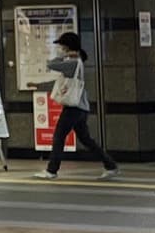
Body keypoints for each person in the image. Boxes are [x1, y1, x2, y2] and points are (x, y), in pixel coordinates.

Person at [40, 30, 117, 178]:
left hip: (73, 108)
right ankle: (110, 165)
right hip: (81, 108)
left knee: (59, 136)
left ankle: (51, 170)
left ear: (68, 46)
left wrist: (64, 56)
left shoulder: (73, 63)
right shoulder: (77, 61)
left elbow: (51, 64)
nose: (60, 48)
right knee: (86, 140)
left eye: (62, 46)